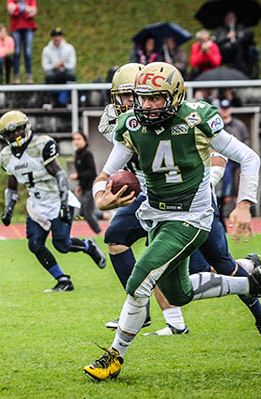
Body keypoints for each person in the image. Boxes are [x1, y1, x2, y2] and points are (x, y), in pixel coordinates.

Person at [83, 62, 261, 380]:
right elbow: (105, 174)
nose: (146, 106)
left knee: (142, 278)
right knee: (178, 293)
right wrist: (100, 197)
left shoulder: (196, 118)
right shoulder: (129, 123)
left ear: (175, 97)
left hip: (192, 214)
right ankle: (251, 280)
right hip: (155, 212)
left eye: (156, 98)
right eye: (140, 97)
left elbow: (248, 156)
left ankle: (114, 356)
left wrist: (244, 203)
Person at [146, 152, 261, 350]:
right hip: (166, 212)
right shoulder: (136, 134)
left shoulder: (189, 124)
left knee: (224, 266)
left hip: (200, 209)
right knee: (194, 270)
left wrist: (205, 187)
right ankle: (249, 265)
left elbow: (220, 157)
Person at [0, 110, 106, 292]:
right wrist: (9, 207)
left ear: (25, 128)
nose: (15, 135)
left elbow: (60, 175)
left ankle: (88, 246)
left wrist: (64, 202)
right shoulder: (6, 157)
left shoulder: (41, 145)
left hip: (57, 200)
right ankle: (63, 279)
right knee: (35, 245)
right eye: (10, 133)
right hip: (37, 204)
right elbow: (12, 186)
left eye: (17, 130)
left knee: (61, 245)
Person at [97, 63, 154, 329]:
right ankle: (139, 312)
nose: (129, 101)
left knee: (209, 268)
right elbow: (112, 163)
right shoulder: (113, 121)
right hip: (144, 192)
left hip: (180, 195)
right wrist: (102, 193)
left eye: (134, 94)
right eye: (124, 95)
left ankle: (249, 275)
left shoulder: (174, 117)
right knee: (115, 236)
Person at [70, 132, 101, 234]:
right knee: (82, 212)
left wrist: (78, 176)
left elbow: (92, 172)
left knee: (87, 214)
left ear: (85, 141)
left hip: (90, 187)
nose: (76, 141)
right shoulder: (77, 155)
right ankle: (103, 216)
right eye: (75, 139)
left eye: (79, 139)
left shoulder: (87, 154)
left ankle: (99, 232)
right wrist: (79, 185)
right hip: (84, 187)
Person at [42, 27, 76, 106]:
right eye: (55, 36)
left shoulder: (69, 48)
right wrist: (54, 66)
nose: (57, 38)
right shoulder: (46, 50)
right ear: (52, 38)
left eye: (59, 36)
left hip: (65, 71)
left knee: (71, 75)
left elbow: (72, 64)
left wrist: (63, 64)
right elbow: (45, 67)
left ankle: (70, 101)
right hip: (53, 72)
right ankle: (48, 101)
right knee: (49, 75)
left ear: (61, 37)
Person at [7, 0, 37, 84]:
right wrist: (26, 8)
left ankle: (29, 75)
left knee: (28, 52)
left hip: (28, 27)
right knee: (16, 52)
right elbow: (10, 10)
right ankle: (16, 76)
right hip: (15, 28)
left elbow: (33, 12)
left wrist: (17, 8)